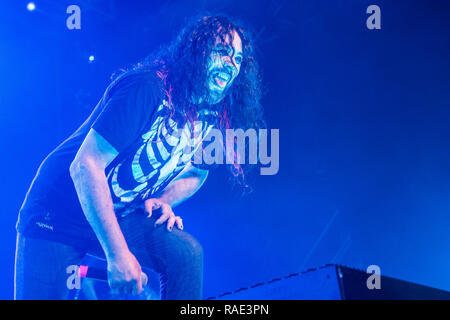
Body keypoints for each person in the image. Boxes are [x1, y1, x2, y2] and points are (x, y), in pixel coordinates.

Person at [14, 15, 264, 299]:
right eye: (222, 51)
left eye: (238, 58)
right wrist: (117, 254)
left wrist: (164, 200)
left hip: (117, 213)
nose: (231, 63)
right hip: (59, 214)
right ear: (197, 52)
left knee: (186, 254)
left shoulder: (215, 113)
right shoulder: (147, 89)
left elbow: (198, 172)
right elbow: (85, 166)